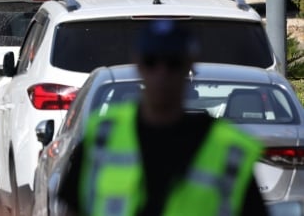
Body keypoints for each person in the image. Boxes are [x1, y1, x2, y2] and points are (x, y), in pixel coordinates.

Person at [57, 20, 268, 216]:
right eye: (151, 61)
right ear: (138, 64)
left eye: (173, 63)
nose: (162, 73)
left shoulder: (228, 148)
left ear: (189, 66)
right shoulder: (103, 136)